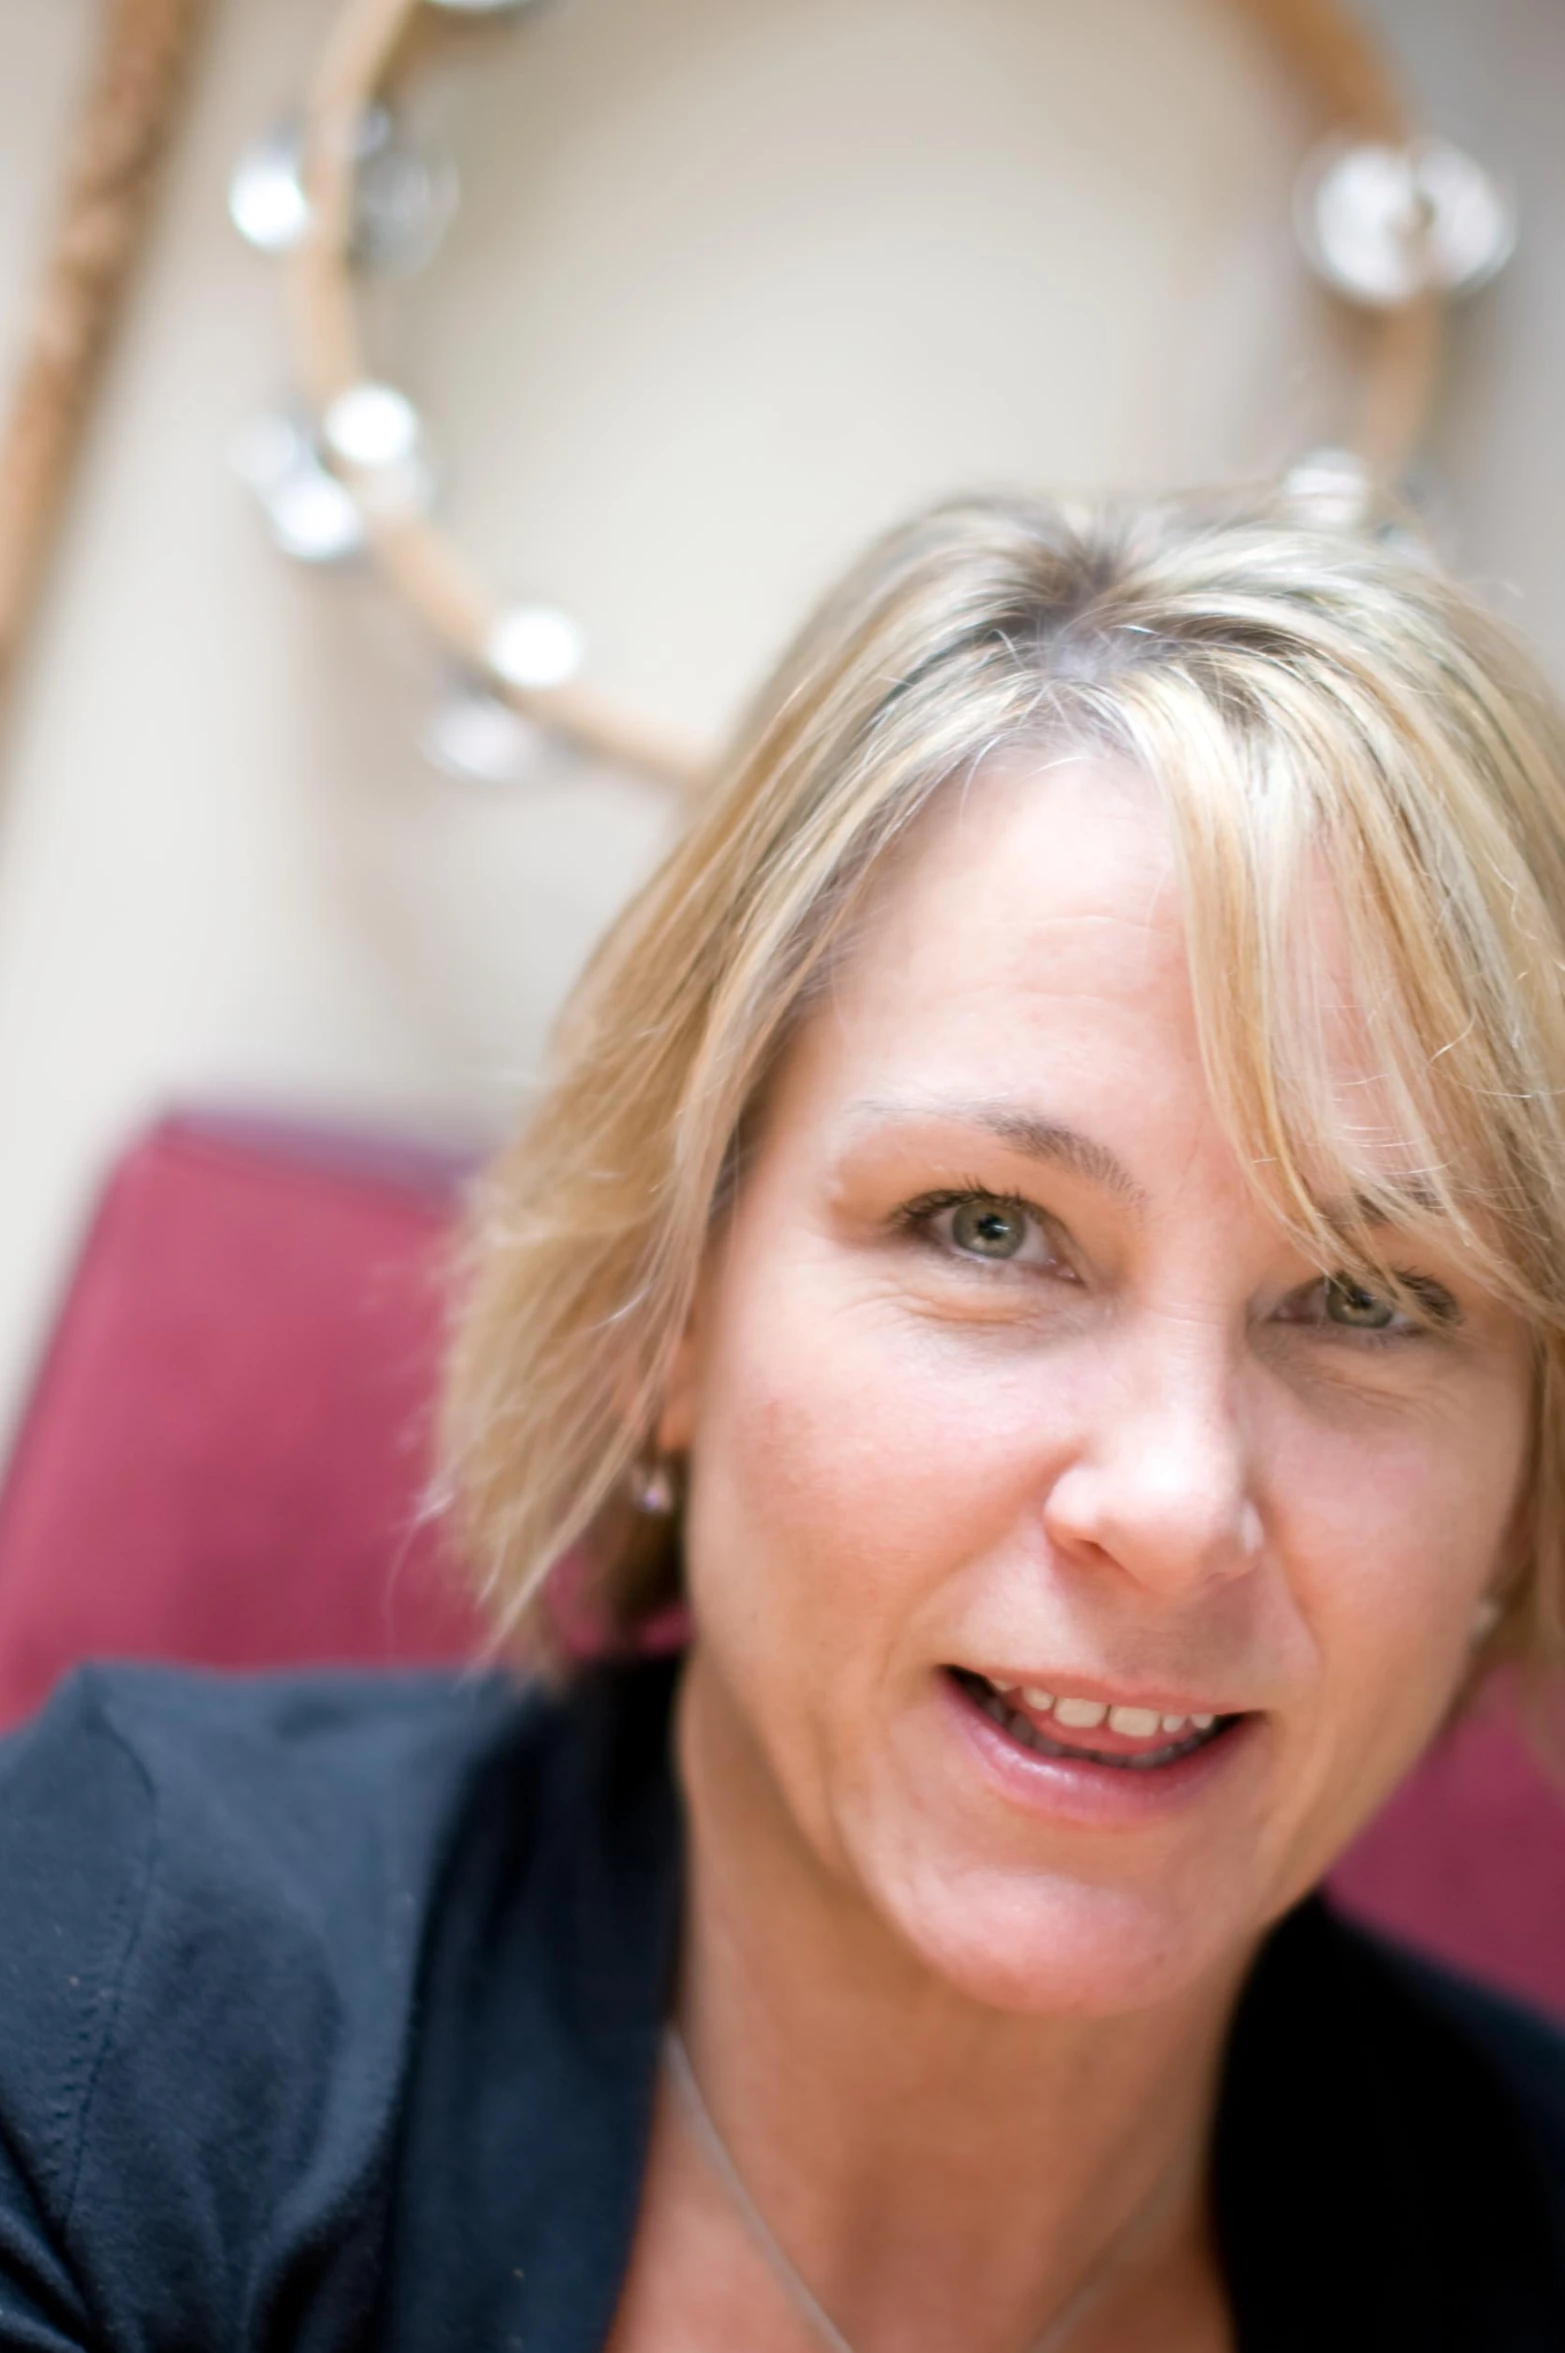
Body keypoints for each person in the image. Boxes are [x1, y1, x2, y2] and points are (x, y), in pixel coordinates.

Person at [5, 488, 1565, 2353]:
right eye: (989, 1230)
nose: (1171, 1498)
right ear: (664, 1305)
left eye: (1375, 1301)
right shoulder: (122, 1990)